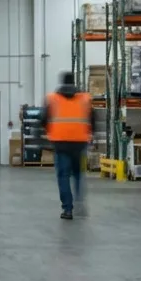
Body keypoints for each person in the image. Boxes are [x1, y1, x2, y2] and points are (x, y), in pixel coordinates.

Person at [43, 72, 96, 220]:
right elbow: (92, 120)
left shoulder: (53, 99)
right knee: (79, 175)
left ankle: (67, 209)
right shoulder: (85, 99)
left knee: (63, 176)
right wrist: (91, 136)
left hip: (60, 143)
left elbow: (44, 118)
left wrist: (48, 133)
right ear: (74, 82)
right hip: (80, 143)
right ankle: (80, 204)